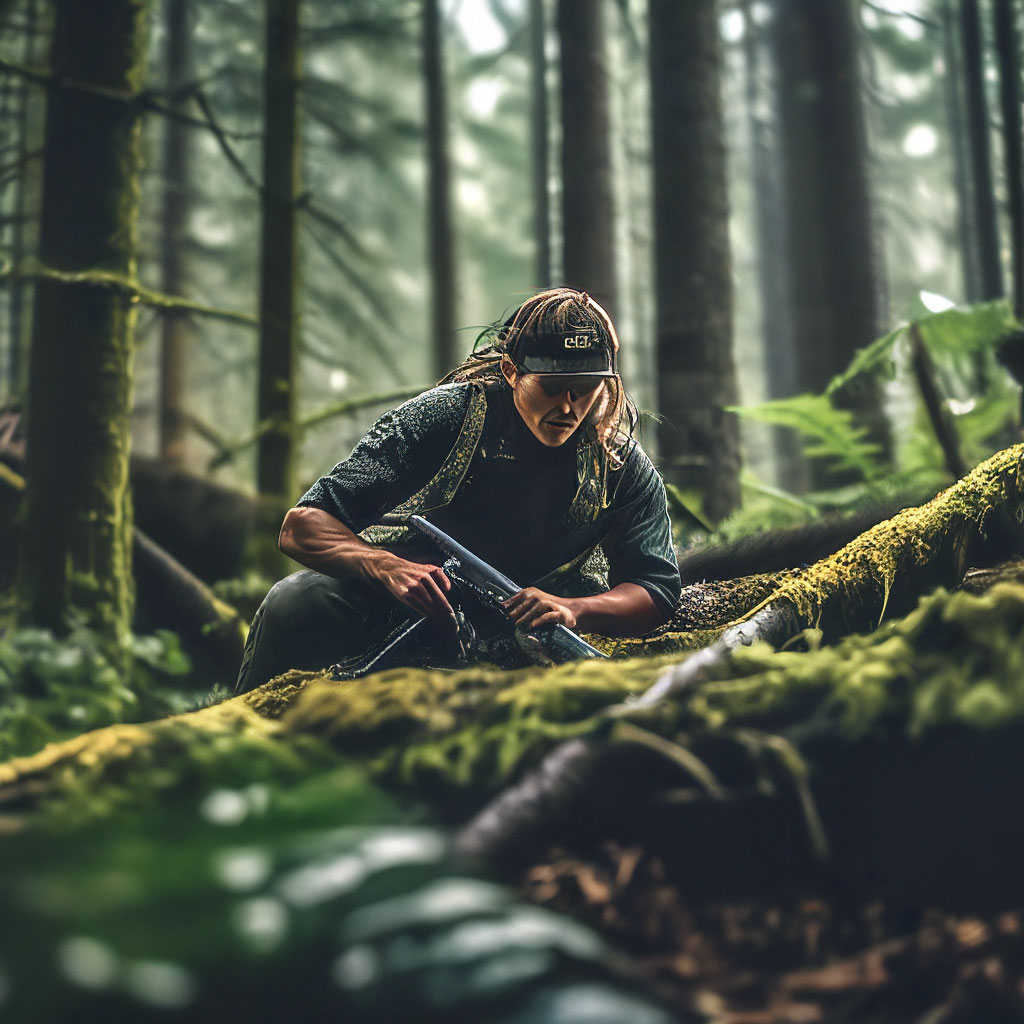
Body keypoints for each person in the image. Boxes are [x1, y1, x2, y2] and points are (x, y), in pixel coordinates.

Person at [235, 288, 681, 693]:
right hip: (412, 602)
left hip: (530, 626)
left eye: (586, 389)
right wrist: (386, 566)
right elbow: (303, 526)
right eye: (553, 387)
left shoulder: (621, 466)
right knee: (293, 602)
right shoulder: (446, 418)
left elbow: (656, 588)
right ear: (511, 371)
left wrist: (573, 610)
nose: (569, 405)